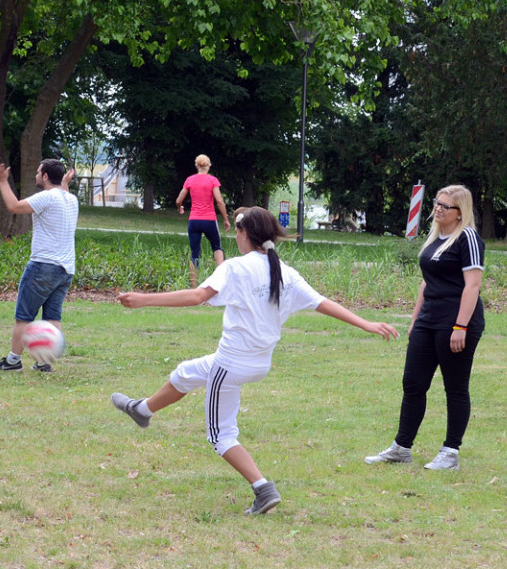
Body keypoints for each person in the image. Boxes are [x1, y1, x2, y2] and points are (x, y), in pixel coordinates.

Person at [111, 206, 398, 515]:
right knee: (186, 372)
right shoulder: (285, 271)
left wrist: (143, 300)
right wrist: (366, 323)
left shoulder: (236, 267)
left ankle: (263, 489)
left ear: (244, 234)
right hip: (258, 363)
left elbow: (197, 296)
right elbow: (322, 303)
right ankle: (142, 409)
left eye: (237, 231)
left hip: (232, 364)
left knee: (220, 435)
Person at [365, 185, 484, 471]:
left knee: (455, 387)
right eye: (437, 203)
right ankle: (401, 447)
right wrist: (416, 319)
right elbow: (426, 281)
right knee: (413, 384)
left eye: (445, 206)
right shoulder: (435, 238)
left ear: (460, 213)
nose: (438, 209)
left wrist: (460, 326)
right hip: (428, 321)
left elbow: (473, 285)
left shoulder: (467, 237)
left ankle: (450, 452)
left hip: (455, 322)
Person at [0, 159, 78, 373]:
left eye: (39, 172)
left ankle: (12, 361)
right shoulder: (70, 199)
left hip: (43, 266)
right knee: (52, 317)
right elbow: (62, 192)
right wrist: (65, 182)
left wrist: (2, 181)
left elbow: (13, 206)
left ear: (46, 176)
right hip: (66, 270)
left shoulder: (46, 197)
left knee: (24, 315)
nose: (36, 175)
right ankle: (44, 362)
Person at [175, 154, 231, 284]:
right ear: (209, 165)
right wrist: (226, 219)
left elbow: (179, 200)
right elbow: (219, 201)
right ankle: (220, 284)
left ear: (196, 165)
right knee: (217, 248)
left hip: (194, 221)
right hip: (209, 220)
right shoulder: (213, 180)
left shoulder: (190, 180)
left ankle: (194, 287)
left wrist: (180, 208)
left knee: (195, 253)